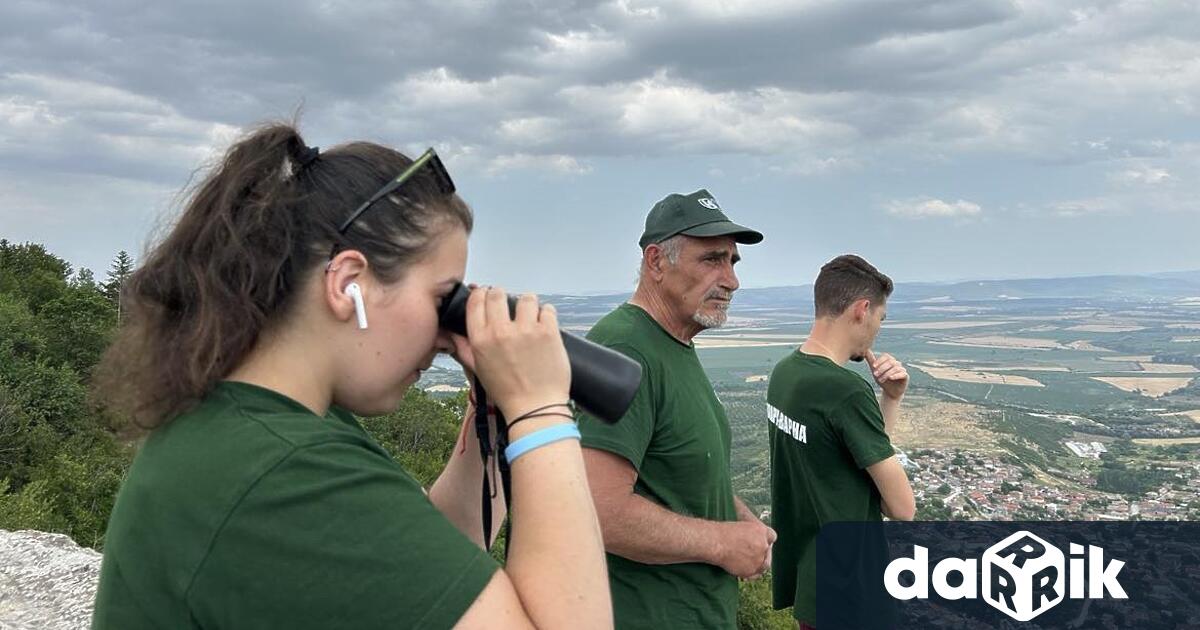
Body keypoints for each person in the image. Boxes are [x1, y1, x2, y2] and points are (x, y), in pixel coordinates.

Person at [90, 123, 612, 629]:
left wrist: (493, 412)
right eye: (442, 299)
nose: (444, 335)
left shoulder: (262, 428)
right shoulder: (283, 475)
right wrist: (541, 407)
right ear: (348, 284)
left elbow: (436, 571)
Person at [576, 189, 775, 629]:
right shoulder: (626, 348)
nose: (731, 280)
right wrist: (722, 543)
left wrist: (738, 517)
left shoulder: (672, 342)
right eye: (712, 260)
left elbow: (675, 471)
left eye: (732, 262)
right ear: (656, 262)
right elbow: (598, 510)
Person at [767, 254, 915, 629]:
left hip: (813, 584)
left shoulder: (785, 374)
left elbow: (856, 463)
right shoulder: (844, 390)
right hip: (853, 591)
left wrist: (891, 399)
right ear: (862, 310)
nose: (877, 330)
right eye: (881, 318)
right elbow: (901, 507)